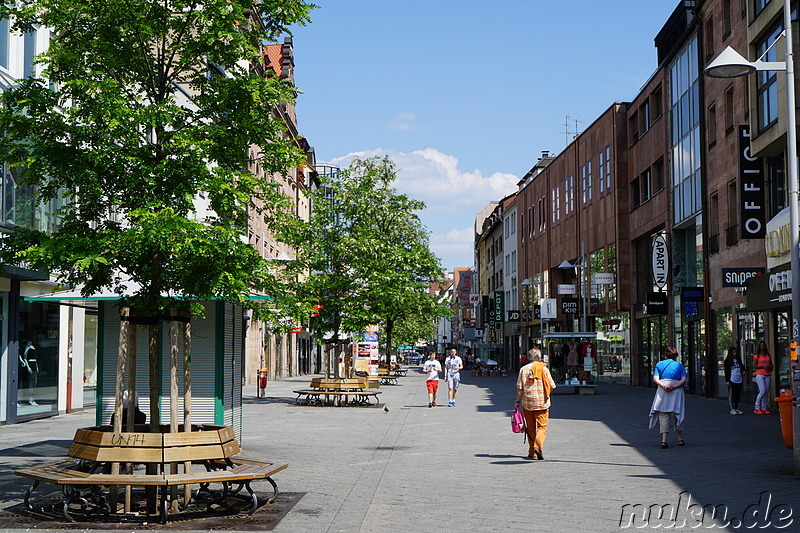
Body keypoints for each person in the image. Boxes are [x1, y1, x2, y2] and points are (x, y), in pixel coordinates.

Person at [514, 348, 556, 460]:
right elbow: (552, 385)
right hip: (542, 403)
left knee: (530, 428)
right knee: (542, 427)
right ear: (539, 357)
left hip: (527, 403)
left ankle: (531, 451)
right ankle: (538, 446)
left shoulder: (523, 369)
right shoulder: (544, 369)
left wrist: (517, 402)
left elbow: (519, 388)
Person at [649, 347, 687, 448]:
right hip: (677, 390)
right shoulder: (679, 366)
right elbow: (684, 379)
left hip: (663, 391)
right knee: (678, 413)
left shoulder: (659, 364)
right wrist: (674, 386)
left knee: (663, 415)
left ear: (665, 355)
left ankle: (664, 440)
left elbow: (655, 378)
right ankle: (680, 439)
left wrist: (663, 385)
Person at [752, 341, 773, 414]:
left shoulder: (768, 355)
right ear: (759, 347)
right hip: (760, 374)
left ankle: (764, 407)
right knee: (762, 390)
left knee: (766, 392)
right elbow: (754, 365)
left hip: (767, 374)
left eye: (763, 345)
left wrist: (770, 367)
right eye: (761, 345)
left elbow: (771, 364)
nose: (762, 347)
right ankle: (757, 407)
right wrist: (762, 366)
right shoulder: (756, 355)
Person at [724, 346, 745, 415]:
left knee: (738, 394)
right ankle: (732, 408)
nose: (734, 353)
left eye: (735, 352)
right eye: (733, 352)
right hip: (732, 379)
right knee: (732, 394)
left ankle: (736, 407)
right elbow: (726, 371)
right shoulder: (728, 361)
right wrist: (727, 380)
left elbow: (742, 366)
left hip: (739, 378)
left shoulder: (738, 360)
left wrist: (743, 371)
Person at [18, 340, 39, 406]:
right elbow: (25, 358)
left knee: (34, 383)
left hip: (34, 364)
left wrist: (37, 367)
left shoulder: (33, 347)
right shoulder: (27, 348)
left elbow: (35, 358)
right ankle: (30, 399)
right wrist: (28, 367)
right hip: (30, 364)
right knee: (31, 383)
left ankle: (32, 399)